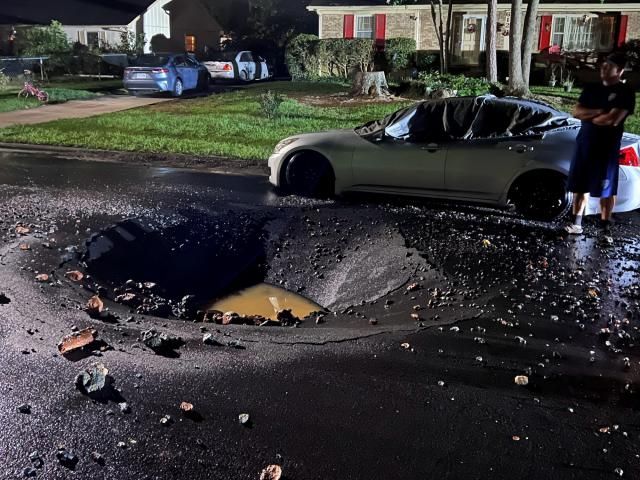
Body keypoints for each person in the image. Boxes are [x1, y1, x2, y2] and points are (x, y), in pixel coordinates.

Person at [564, 52, 636, 238]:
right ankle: (576, 224)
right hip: (585, 143)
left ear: (619, 71)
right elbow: (577, 112)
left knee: (606, 189)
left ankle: (605, 229)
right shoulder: (592, 88)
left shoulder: (625, 92)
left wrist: (593, 114)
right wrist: (600, 111)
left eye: (608, 66)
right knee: (581, 185)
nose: (603, 69)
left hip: (606, 148)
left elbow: (611, 120)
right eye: (603, 66)